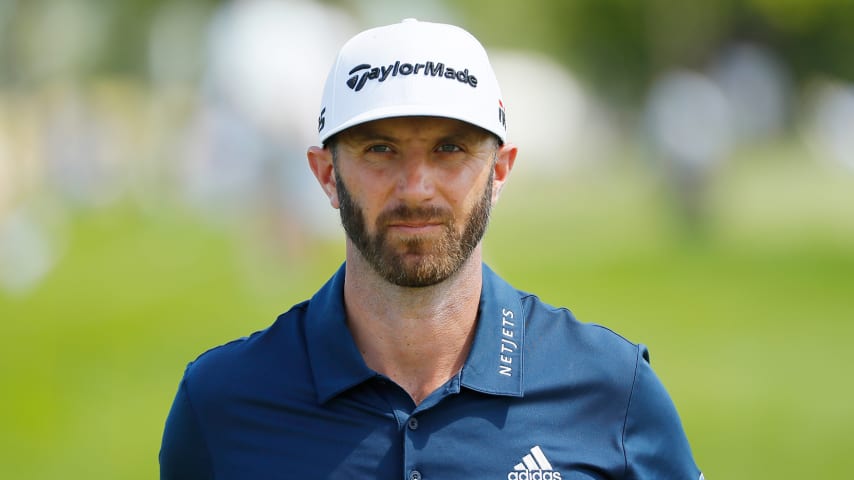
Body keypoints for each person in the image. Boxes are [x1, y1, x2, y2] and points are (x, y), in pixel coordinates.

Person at [160, 18, 703, 480]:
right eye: (380, 149)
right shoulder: (221, 404)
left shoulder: (612, 390)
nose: (416, 187)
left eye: (449, 149)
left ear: (500, 170)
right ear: (326, 175)